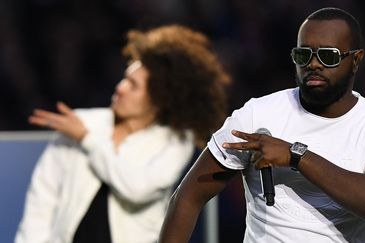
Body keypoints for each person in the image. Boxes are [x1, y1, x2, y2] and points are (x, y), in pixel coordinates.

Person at [159, 7, 365, 243]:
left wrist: (296, 155)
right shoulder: (258, 114)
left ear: (356, 60)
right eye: (303, 54)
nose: (313, 64)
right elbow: (188, 196)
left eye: (328, 56)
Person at [15, 24, 230, 243]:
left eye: (133, 85)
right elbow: (42, 200)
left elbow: (137, 188)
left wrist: (88, 139)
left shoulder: (174, 142)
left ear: (158, 100)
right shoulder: (82, 122)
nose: (120, 87)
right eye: (124, 78)